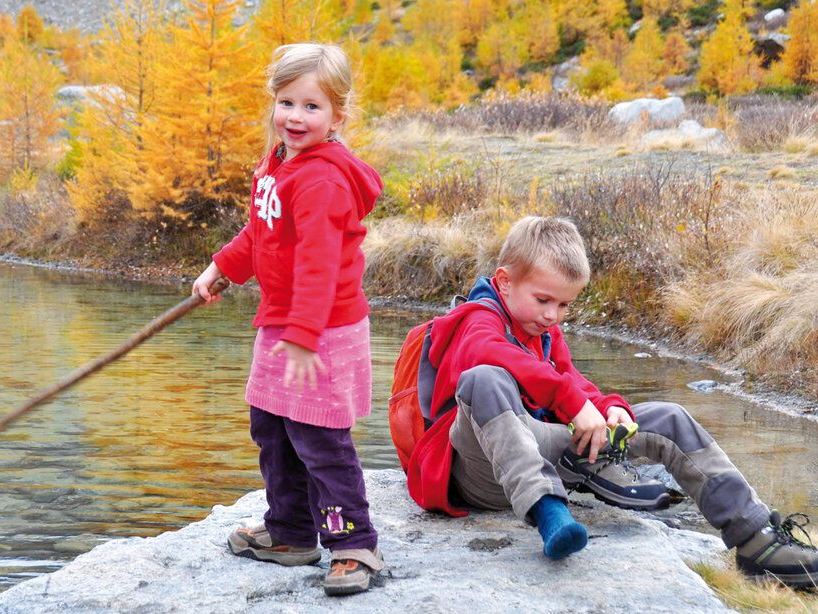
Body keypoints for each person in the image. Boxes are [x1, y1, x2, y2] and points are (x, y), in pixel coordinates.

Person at [410, 215, 818, 586]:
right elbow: (489, 358)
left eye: (565, 304)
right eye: (543, 300)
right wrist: (570, 402)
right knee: (485, 379)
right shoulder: (475, 321)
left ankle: (757, 540)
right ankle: (550, 511)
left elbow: (571, 378)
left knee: (668, 418)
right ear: (503, 281)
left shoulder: (543, 331)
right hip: (483, 471)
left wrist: (608, 408)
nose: (553, 315)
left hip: (545, 449)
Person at [192, 42, 384, 597]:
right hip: (284, 323)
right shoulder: (279, 164)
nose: (295, 117)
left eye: (312, 107)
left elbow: (319, 267)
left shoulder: (322, 181)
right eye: (286, 102)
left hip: (320, 330)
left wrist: (303, 339)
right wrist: (222, 267)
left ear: (339, 115)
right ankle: (292, 532)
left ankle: (352, 543)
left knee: (319, 438)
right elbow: (263, 234)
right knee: (272, 428)